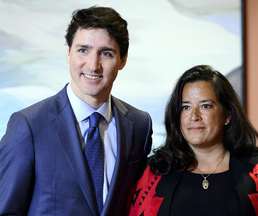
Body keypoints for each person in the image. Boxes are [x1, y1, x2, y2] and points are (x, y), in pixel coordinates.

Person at [0, 6, 152, 216]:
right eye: (83, 50)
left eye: (105, 53)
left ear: (123, 59)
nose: (93, 65)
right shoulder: (28, 126)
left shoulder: (140, 125)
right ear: (69, 54)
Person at [128, 65, 258, 216]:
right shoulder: (155, 171)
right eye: (186, 107)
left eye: (205, 106)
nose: (194, 116)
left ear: (227, 115)